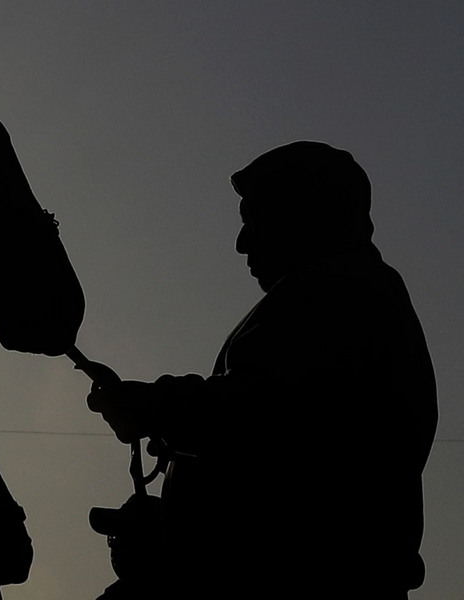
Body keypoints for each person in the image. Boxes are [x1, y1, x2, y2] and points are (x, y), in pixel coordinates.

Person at [87, 141, 438, 599]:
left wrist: (153, 407)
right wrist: (175, 526)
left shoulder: (342, 294)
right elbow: (279, 464)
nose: (241, 244)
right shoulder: (342, 293)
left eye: (253, 221)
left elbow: (262, 417)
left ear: (304, 215)